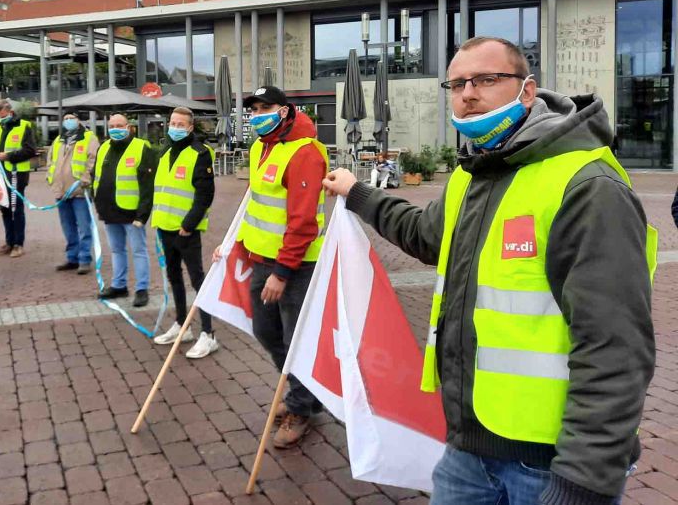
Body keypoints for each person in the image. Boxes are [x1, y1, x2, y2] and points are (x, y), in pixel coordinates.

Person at [323, 36, 655, 504]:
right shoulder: (473, 173)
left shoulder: (586, 185)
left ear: (527, 90)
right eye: (456, 83)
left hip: (549, 465)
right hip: (467, 448)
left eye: (486, 79)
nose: (468, 94)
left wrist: (585, 478)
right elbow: (426, 236)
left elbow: (615, 347)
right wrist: (359, 194)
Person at [215, 86, 329, 449]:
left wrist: (282, 272)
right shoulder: (260, 146)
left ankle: (300, 408)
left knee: (294, 340)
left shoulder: (305, 152)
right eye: (253, 109)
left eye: (266, 107)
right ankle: (306, 392)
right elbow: (256, 204)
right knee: (267, 333)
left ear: (284, 111)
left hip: (294, 266)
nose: (257, 114)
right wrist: (234, 243)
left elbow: (303, 221)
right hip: (260, 259)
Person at [152, 107, 218, 358]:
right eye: (172, 123)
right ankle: (183, 324)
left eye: (181, 124)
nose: (175, 128)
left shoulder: (200, 153)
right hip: (164, 227)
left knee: (197, 279)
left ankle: (209, 334)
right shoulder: (166, 151)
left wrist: (188, 225)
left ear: (190, 128)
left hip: (186, 230)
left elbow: (205, 195)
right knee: (174, 277)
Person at [91, 113, 157, 307]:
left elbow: (148, 185)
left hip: (132, 212)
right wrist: (97, 202)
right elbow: (97, 176)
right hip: (109, 210)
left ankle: (141, 288)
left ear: (129, 127)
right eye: (112, 126)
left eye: (119, 125)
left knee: (138, 250)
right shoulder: (104, 147)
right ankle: (119, 285)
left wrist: (143, 214)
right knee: (117, 250)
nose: (115, 129)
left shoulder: (141, 147)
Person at [47, 113, 99, 273]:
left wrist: (85, 179)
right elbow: (50, 161)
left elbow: (93, 160)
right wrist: (50, 178)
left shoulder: (89, 138)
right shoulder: (58, 140)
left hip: (80, 191)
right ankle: (72, 258)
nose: (68, 121)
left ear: (78, 120)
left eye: (72, 118)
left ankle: (84, 259)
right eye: (66, 118)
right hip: (61, 192)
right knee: (68, 227)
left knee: (84, 227)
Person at [0, 99, 36, 258]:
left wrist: (8, 156)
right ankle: (9, 242)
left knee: (17, 209)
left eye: (3, 115)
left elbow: (30, 151)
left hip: (17, 173)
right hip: (0, 172)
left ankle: (18, 244)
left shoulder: (24, 126)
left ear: (10, 111)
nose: (1, 118)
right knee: (4, 207)